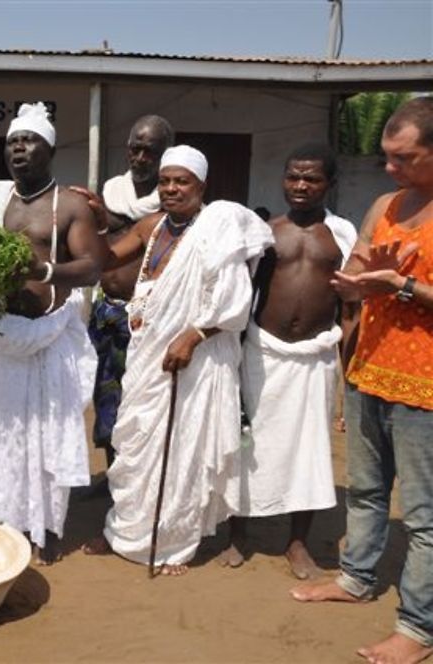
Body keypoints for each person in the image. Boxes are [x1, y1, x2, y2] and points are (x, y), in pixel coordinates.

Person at [82, 145, 273, 575]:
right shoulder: (152, 225)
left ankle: (173, 542)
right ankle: (126, 531)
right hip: (147, 353)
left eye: (181, 181)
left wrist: (193, 336)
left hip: (196, 359)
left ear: (200, 186)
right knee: (135, 442)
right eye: (166, 180)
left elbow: (235, 302)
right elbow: (108, 257)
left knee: (184, 444)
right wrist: (97, 220)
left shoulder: (216, 228)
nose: (171, 188)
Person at [292, 97, 433, 664]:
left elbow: (395, 285)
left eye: (404, 158)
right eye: (386, 157)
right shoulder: (386, 204)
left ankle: (419, 629)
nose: (390, 168)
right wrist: (354, 282)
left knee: (424, 516)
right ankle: (356, 578)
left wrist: (399, 287)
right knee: (369, 490)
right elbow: (355, 270)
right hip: (371, 370)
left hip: (425, 388)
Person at [0, 103, 102, 564]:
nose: (19, 149)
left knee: (47, 439)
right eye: (12, 142)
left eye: (29, 140)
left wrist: (45, 269)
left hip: (47, 337)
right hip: (4, 337)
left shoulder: (71, 205)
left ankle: (46, 530)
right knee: (6, 438)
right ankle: (4, 523)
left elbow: (93, 267)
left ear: (50, 148)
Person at [217, 143, 357, 578]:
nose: (300, 185)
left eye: (312, 178)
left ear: (329, 184)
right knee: (246, 445)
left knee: (308, 452)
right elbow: (239, 296)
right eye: (293, 176)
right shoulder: (264, 232)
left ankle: (297, 544)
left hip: (315, 358)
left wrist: (350, 369)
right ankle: (238, 536)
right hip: (261, 353)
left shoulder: (343, 235)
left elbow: (351, 306)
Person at [88, 115, 174, 468]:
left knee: (141, 399)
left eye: (149, 152)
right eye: (135, 150)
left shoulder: (171, 200)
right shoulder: (112, 192)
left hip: (147, 319)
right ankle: (111, 474)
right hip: (106, 311)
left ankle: (137, 476)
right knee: (107, 395)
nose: (140, 159)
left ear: (164, 154)